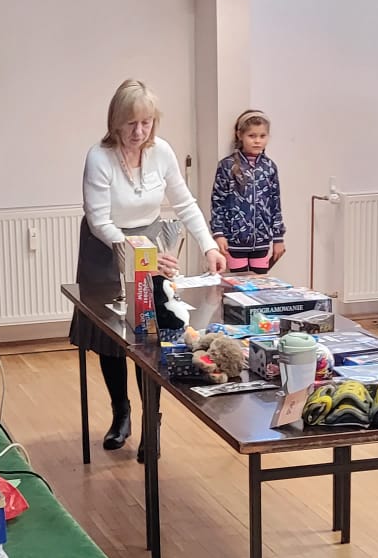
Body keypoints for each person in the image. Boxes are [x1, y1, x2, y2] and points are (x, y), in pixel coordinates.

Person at [74, 79, 227, 451]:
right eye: (131, 124)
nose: (139, 132)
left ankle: (151, 421)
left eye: (146, 123)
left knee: (151, 337)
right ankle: (121, 413)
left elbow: (185, 203)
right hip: (107, 247)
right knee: (112, 338)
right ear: (115, 122)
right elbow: (99, 221)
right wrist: (140, 255)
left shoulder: (162, 152)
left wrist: (208, 246)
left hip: (149, 242)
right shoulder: (99, 157)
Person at [210, 109, 286, 275]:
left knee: (260, 285)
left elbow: (275, 204)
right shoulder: (227, 166)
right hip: (234, 240)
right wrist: (218, 233)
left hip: (262, 241)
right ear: (240, 135)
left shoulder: (270, 167)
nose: (257, 141)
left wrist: (278, 238)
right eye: (252, 136)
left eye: (262, 136)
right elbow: (217, 202)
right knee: (238, 284)